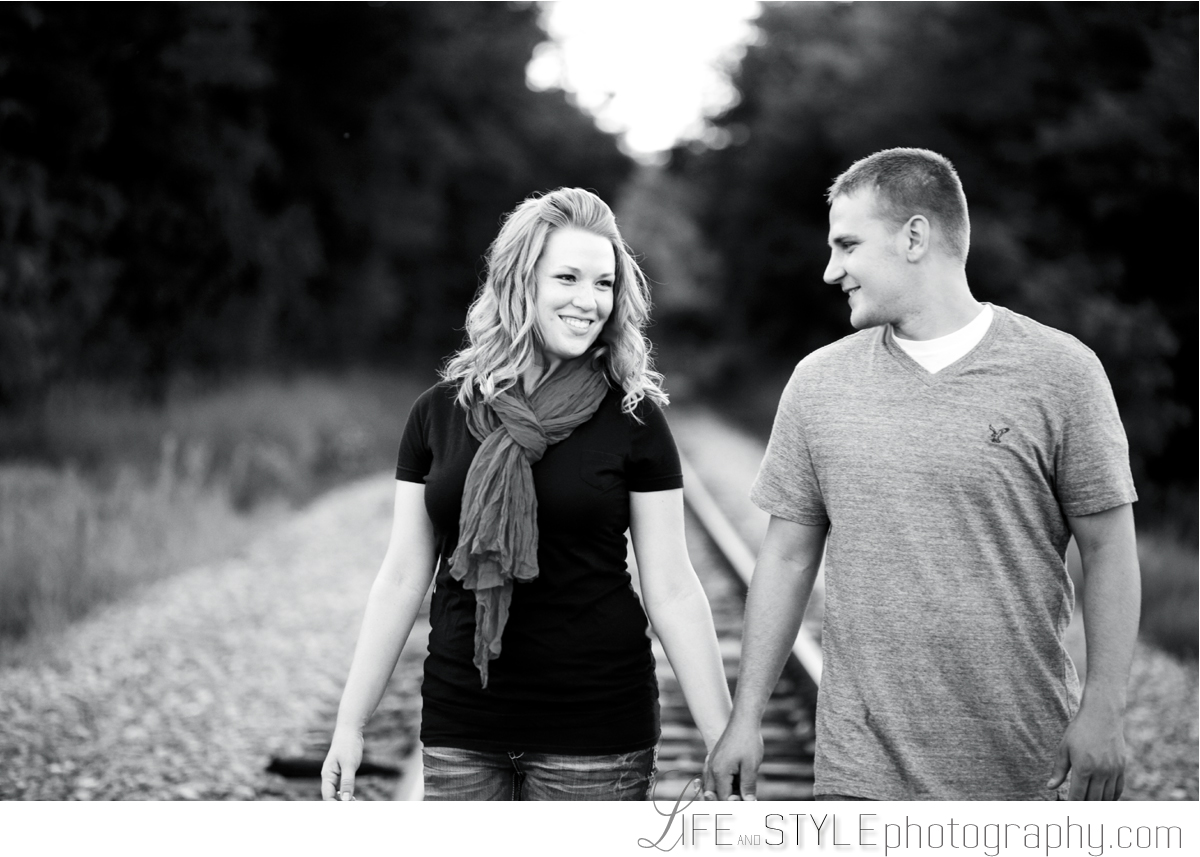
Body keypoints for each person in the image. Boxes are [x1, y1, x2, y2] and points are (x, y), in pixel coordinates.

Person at [703, 148, 1140, 801]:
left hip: (1022, 763)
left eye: (848, 245)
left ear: (914, 237)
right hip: (858, 773)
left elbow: (1108, 548)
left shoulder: (1062, 373)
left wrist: (1104, 707)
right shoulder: (818, 383)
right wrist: (745, 718)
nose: (831, 271)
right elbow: (787, 557)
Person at [321, 187, 731, 801]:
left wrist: (723, 734)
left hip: (595, 734)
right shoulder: (439, 413)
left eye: (604, 283)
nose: (588, 301)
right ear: (521, 282)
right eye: (567, 277)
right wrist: (350, 724)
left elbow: (672, 588)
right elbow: (402, 577)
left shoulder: (633, 418)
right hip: (463, 727)